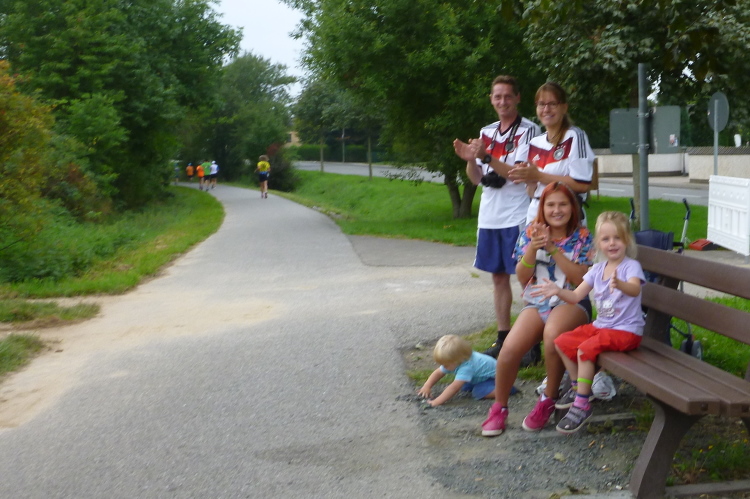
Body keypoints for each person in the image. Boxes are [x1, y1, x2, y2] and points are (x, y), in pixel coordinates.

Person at [481, 181, 594, 437]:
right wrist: (533, 248)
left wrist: (553, 249)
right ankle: (499, 407)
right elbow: (523, 278)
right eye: (550, 204)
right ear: (542, 208)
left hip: (571, 300)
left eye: (563, 204)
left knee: (552, 334)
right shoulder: (529, 232)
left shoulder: (583, 237)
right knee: (510, 348)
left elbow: (580, 280)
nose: (557, 210)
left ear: (573, 208)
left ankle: (548, 399)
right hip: (538, 301)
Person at [532, 211, 645, 434]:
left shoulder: (630, 267)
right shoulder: (598, 269)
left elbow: (634, 289)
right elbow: (576, 296)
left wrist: (621, 284)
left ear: (627, 240)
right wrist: (558, 291)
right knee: (561, 341)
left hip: (626, 331)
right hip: (602, 327)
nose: (612, 243)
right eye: (606, 239)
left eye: (617, 238)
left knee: (585, 350)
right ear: (598, 244)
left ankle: (582, 404)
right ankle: (578, 387)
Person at [452, 75, 541, 361]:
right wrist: (470, 159)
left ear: (517, 98)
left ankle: (532, 342)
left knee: (527, 277)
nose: (502, 101)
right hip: (490, 215)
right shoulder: (486, 131)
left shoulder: (530, 130)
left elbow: (518, 173)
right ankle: (503, 338)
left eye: (508, 96)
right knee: (499, 278)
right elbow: (477, 178)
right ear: (491, 99)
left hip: (517, 214)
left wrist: (487, 157)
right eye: (497, 96)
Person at [508, 82, 595, 225]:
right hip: (536, 216)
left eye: (553, 104)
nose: (546, 109)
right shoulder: (535, 142)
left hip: (564, 218)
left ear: (564, 107)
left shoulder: (574, 136)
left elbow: (582, 184)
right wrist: (529, 179)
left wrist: (538, 176)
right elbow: (532, 192)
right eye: (541, 104)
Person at [417, 335, 498, 407]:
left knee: (478, 392)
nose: (444, 367)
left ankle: (503, 391)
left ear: (458, 360)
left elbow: (454, 388)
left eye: (446, 364)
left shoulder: (467, 367)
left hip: (495, 378)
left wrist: (436, 401)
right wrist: (427, 386)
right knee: (464, 386)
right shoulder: (459, 359)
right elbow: (438, 372)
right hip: (481, 376)